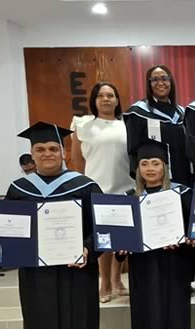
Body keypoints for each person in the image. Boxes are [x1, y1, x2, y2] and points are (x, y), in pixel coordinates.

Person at [4, 122, 103, 329]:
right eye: (40, 149)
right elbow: (11, 231)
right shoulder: (19, 189)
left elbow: (99, 227)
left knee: (80, 322)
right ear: (31, 155)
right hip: (37, 274)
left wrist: (88, 248)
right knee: (40, 325)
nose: (47, 154)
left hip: (77, 271)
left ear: (63, 153)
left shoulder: (84, 185)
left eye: (52, 149)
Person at [117, 141, 195, 329]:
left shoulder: (182, 193)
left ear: (165, 167)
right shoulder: (129, 198)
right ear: (137, 169)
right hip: (143, 268)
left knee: (176, 316)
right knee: (146, 316)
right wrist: (121, 247)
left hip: (174, 264)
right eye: (144, 164)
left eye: (156, 163)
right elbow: (120, 238)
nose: (150, 168)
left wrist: (184, 242)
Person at [70, 81, 133, 303]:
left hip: (124, 187)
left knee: (121, 240)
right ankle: (104, 283)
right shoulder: (84, 124)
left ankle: (118, 281)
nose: (106, 99)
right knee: (103, 240)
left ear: (117, 100)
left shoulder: (127, 123)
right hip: (97, 188)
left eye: (111, 95)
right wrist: (82, 185)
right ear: (94, 101)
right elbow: (76, 159)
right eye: (101, 96)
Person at [124, 65, 193, 187]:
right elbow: (133, 151)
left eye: (164, 79)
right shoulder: (138, 113)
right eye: (155, 80)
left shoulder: (181, 112)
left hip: (184, 177)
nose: (160, 83)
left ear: (170, 82)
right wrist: (143, 182)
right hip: (155, 182)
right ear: (149, 84)